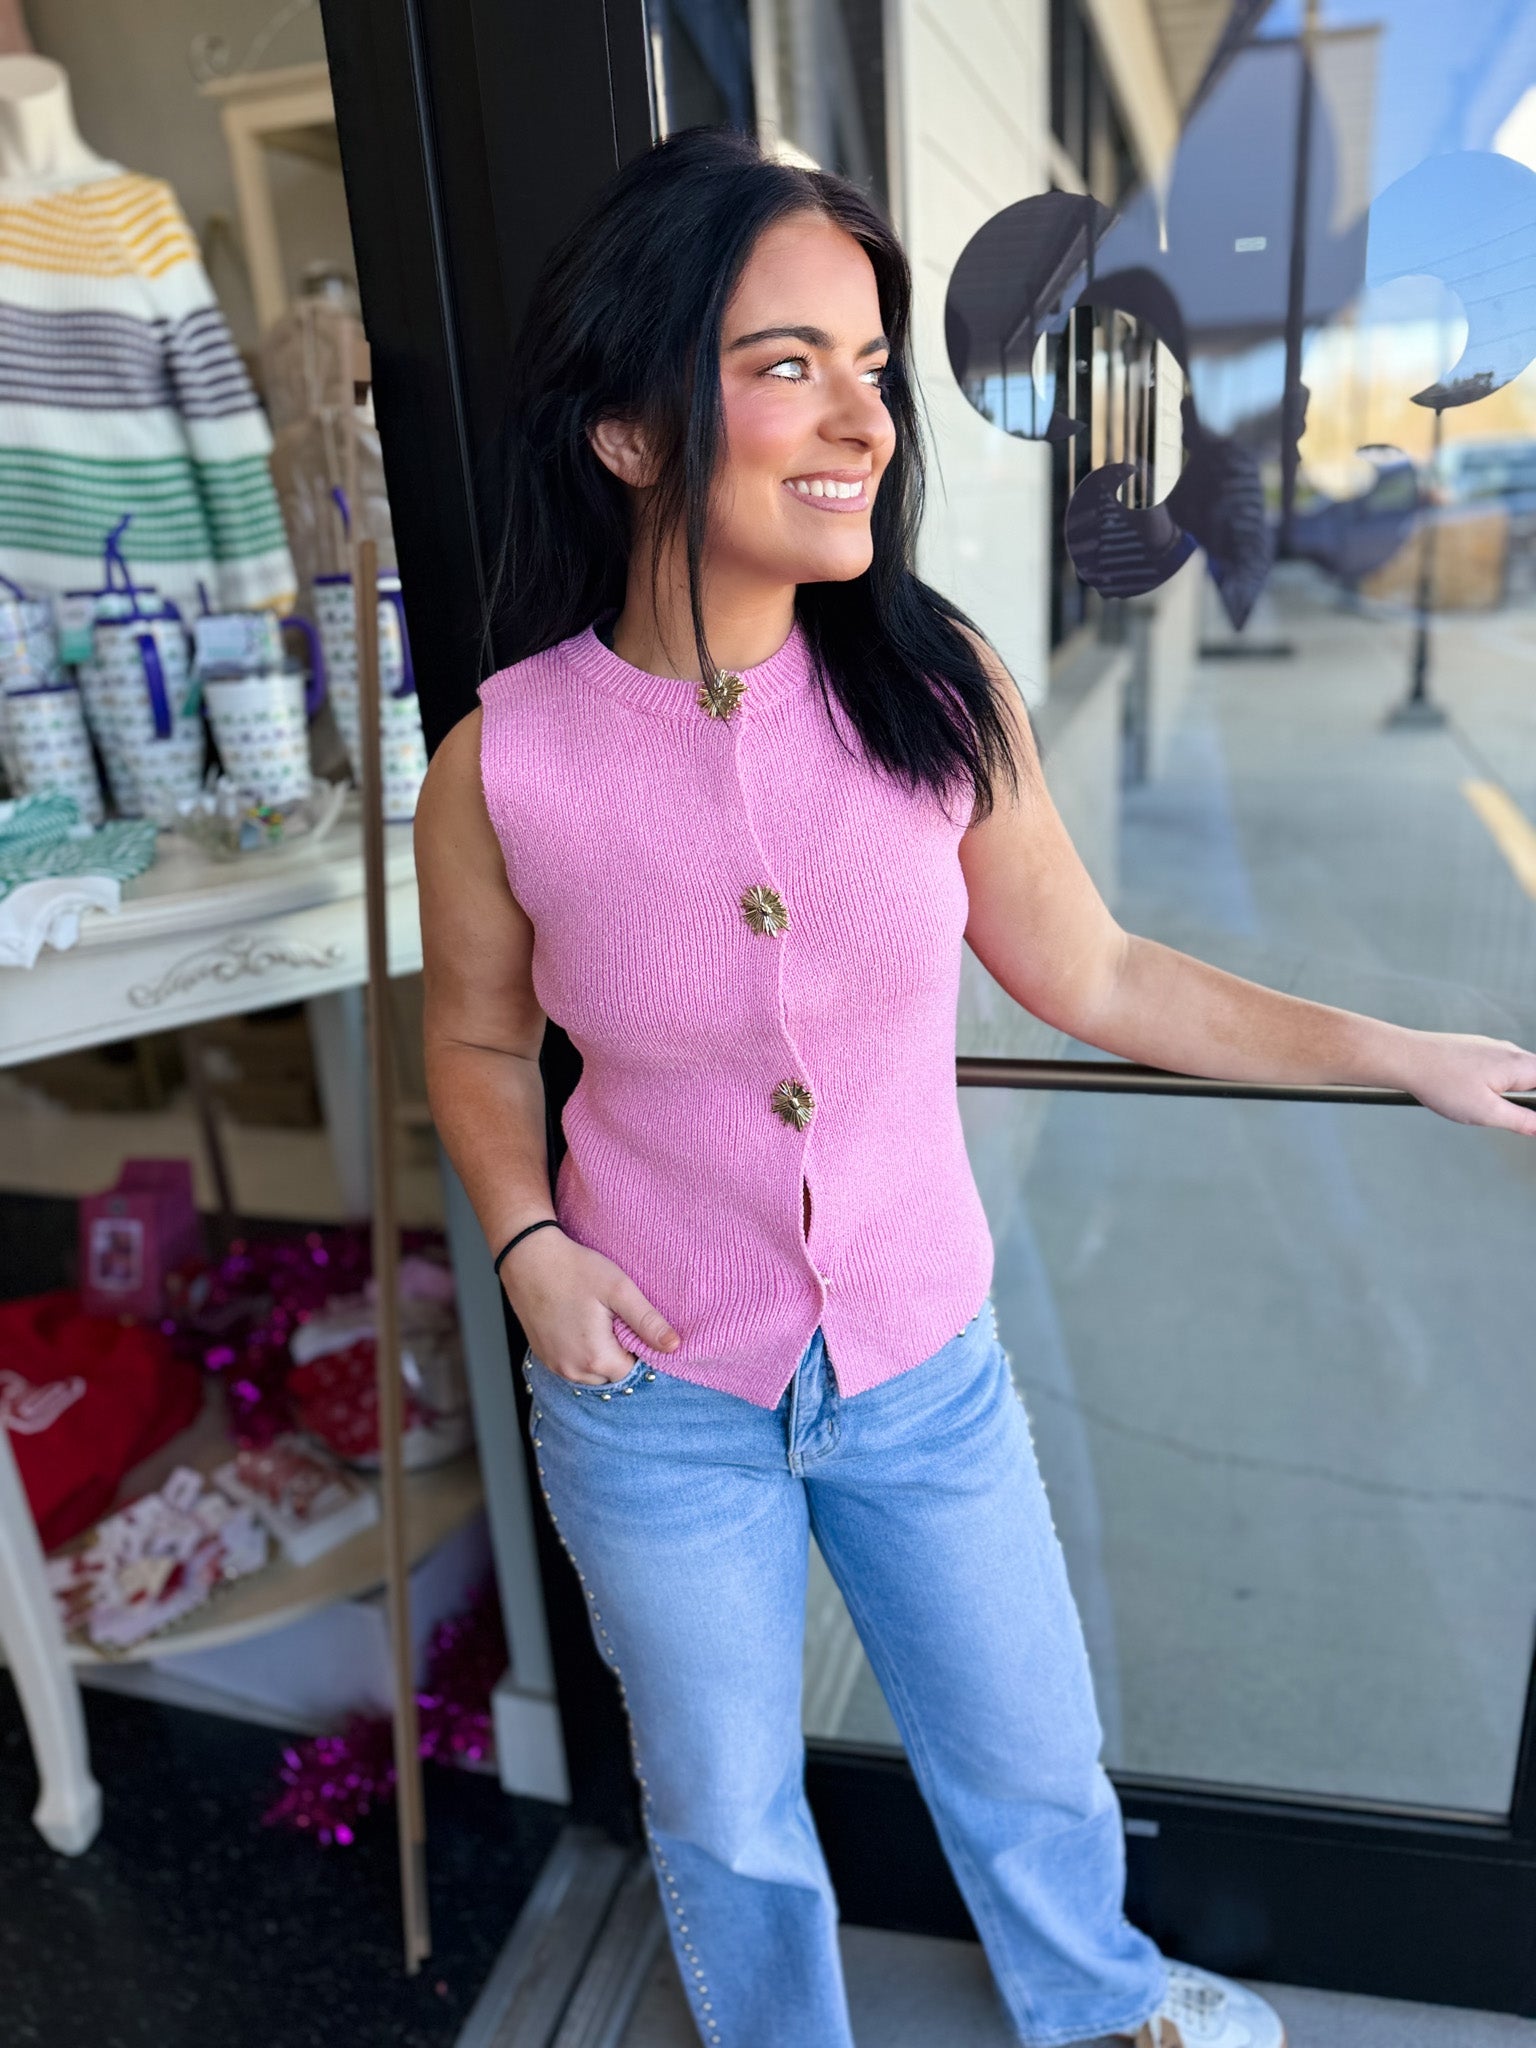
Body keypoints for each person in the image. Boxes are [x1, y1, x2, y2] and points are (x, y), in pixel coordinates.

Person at [416, 128, 1536, 2048]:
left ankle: (1102, 2008)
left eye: (871, 364)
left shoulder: (935, 692)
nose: (866, 417)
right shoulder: (503, 762)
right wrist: (526, 1243)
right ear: (629, 429)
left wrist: (1403, 1052)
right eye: (786, 365)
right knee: (725, 1809)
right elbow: (472, 1036)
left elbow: (1101, 974)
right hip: (649, 1393)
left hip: (920, 1364)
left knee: (1029, 1752)